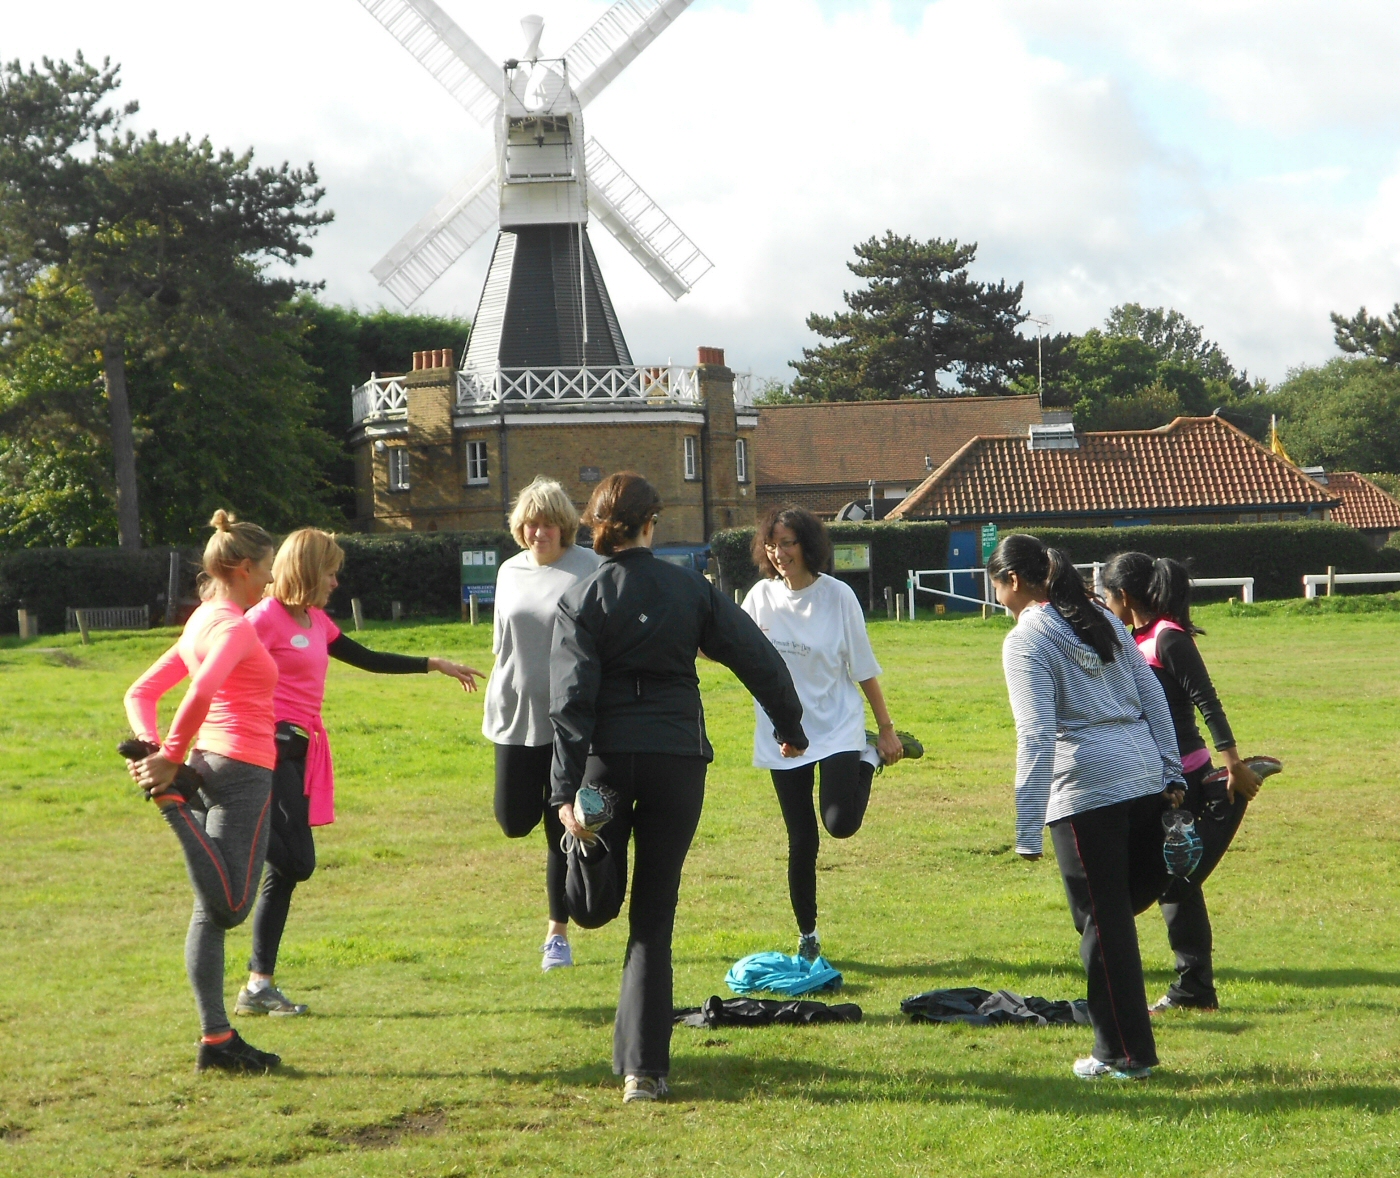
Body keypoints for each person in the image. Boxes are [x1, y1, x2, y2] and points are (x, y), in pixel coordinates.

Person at [549, 472, 808, 1103]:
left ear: (597, 527)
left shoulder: (581, 598)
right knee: (653, 914)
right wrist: (790, 725)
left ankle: (587, 854)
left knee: (599, 903)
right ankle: (646, 1070)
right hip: (676, 759)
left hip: (606, 765)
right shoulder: (692, 588)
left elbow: (571, 702)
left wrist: (563, 791)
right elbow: (755, 655)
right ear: (651, 523)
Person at [237, 528, 484, 1016]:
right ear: (308, 570)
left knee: (283, 874)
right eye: (330, 572)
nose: (335, 581)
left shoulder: (315, 620)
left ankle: (257, 985)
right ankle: (233, 818)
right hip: (268, 749)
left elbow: (366, 659)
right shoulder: (262, 619)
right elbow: (220, 669)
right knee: (298, 864)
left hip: (303, 749)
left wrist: (433, 663)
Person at [989, 534, 1184, 1080]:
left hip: (1086, 788)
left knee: (1102, 924)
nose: (997, 593)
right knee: (1111, 918)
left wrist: (1027, 825)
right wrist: (1170, 771)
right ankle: (1119, 1047)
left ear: (1015, 581)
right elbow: (1154, 698)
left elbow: (1036, 734)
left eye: (996, 582)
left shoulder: (1026, 638)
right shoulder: (1100, 618)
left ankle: (1123, 1054)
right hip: (1142, 771)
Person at [123, 510, 282, 1073]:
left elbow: (139, 691)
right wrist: (165, 760)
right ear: (242, 568)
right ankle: (172, 810)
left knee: (209, 913)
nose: (270, 580)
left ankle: (216, 1040)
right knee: (234, 904)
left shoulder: (201, 620)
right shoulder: (235, 627)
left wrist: (158, 749)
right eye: (266, 569)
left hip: (206, 765)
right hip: (242, 770)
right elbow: (200, 691)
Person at [741, 505, 918, 962]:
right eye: (773, 543)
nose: (780, 553)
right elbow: (729, 648)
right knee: (801, 840)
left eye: (789, 543)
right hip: (784, 734)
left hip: (838, 727)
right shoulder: (759, 597)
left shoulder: (838, 596)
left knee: (840, 824)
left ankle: (868, 758)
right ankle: (808, 936)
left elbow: (864, 669)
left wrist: (885, 731)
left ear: (808, 545)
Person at [1100, 552, 1262, 1014]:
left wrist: (1233, 765)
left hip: (1187, 773)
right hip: (1154, 776)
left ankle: (1194, 986)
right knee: (1177, 880)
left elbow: (1207, 701)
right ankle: (1195, 987)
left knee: (1177, 879)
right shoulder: (1136, 638)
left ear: (1124, 597)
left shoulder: (1167, 638)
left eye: (1108, 597)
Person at [482, 476, 600, 971]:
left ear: (565, 525)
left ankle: (557, 934)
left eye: (549, 521)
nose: (539, 531)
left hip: (566, 722)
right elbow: (502, 643)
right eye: (531, 521)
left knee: (558, 829)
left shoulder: (590, 568)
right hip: (512, 714)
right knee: (512, 822)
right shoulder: (509, 571)